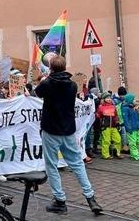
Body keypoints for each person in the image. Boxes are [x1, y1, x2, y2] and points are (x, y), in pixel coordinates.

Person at [34, 55, 102, 215]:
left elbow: (37, 92)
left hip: (51, 130)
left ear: (51, 68)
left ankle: (59, 200)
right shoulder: (72, 85)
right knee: (77, 164)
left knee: (51, 165)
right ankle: (90, 197)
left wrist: (46, 77)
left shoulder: (48, 84)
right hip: (68, 130)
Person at [96, 92, 122, 160]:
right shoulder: (101, 107)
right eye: (107, 98)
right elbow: (98, 116)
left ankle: (116, 152)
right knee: (106, 141)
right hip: (105, 127)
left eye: (110, 98)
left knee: (118, 139)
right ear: (104, 99)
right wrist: (101, 124)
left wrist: (117, 122)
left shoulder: (113, 106)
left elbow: (116, 116)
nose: (109, 99)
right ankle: (105, 155)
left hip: (113, 126)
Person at [121, 93, 139, 161]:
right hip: (131, 129)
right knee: (132, 142)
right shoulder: (125, 109)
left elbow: (138, 118)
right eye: (133, 99)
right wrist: (128, 128)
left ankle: (133, 152)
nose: (135, 100)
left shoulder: (134, 108)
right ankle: (135, 155)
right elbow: (126, 120)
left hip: (137, 128)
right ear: (130, 100)